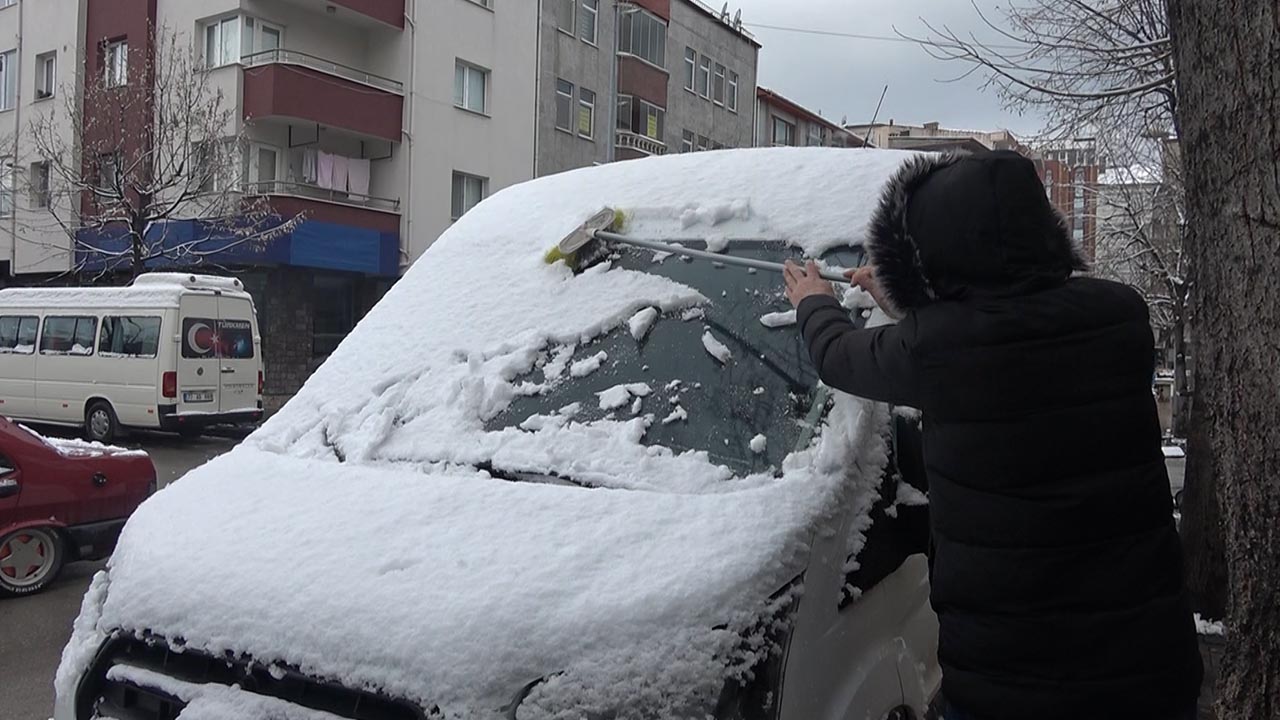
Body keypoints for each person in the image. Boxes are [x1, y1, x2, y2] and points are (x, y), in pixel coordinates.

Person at [782, 151, 1203, 720]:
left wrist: (814, 303)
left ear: (932, 254)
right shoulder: (1120, 316)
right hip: (1150, 665)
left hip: (1015, 684)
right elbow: (1001, 348)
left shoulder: (938, 348)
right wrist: (911, 305)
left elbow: (839, 356)